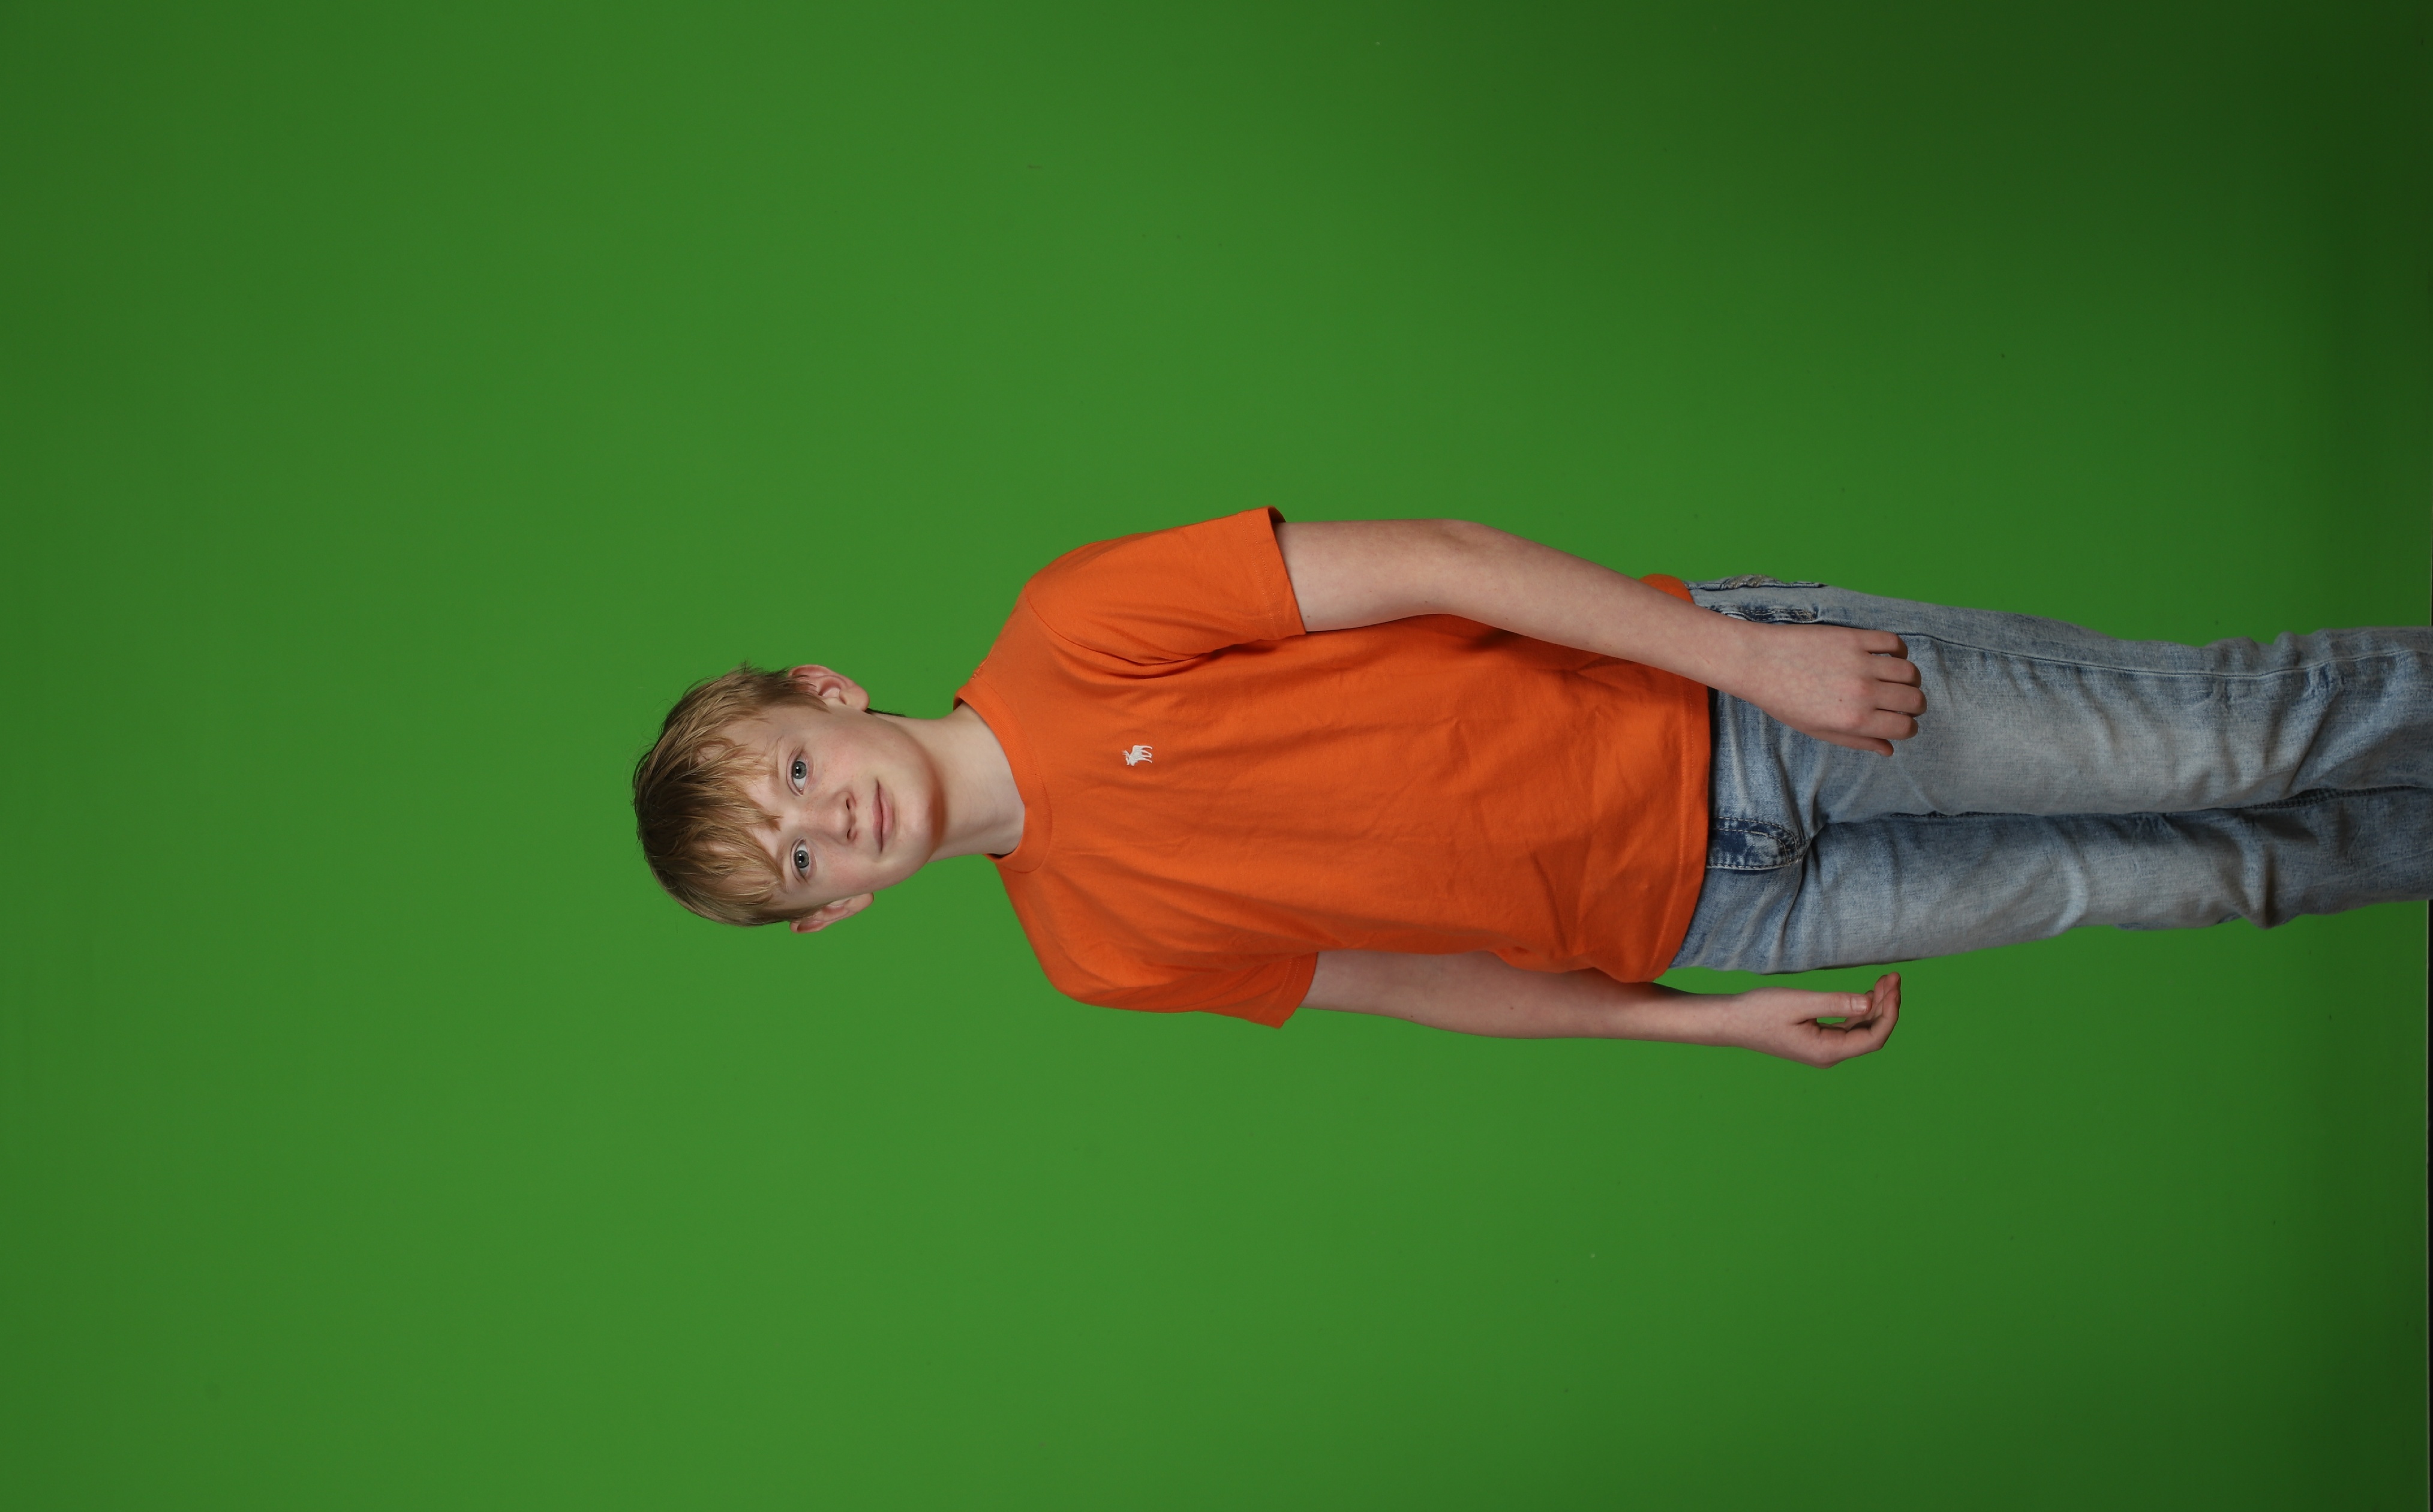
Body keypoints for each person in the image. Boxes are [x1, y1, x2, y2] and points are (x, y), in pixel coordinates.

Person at [631, 509, 2432, 1067]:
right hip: (1732, 911)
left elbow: (1434, 561)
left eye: (796, 770)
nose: (826, 819)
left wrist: (1748, 660)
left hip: (1737, 713)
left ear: (829, 696)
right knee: (2214, 876)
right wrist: (1697, 1025)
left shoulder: (1074, 625)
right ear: (832, 914)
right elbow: (1414, 982)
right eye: (797, 861)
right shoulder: (1093, 952)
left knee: (2241, 740)